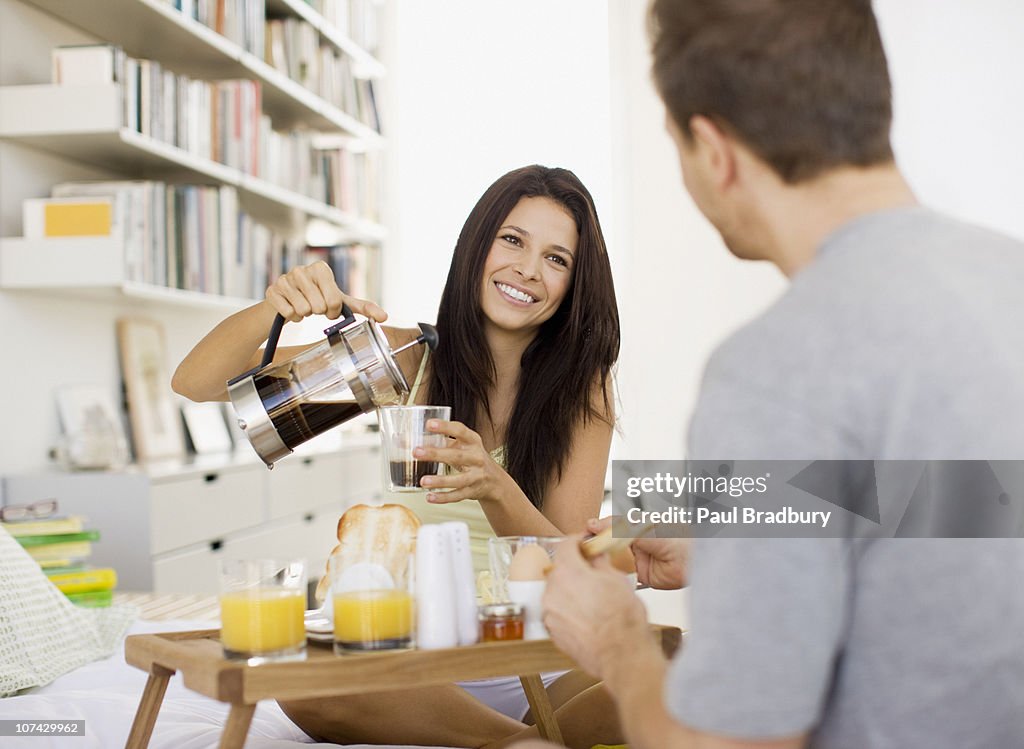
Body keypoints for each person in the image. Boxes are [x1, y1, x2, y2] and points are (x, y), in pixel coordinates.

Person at [522, 1, 1024, 749]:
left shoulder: (770, 367)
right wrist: (750, 527)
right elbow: (988, 493)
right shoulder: (1006, 280)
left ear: (714, 152)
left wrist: (619, 644)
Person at [173, 165, 625, 748]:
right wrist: (276, 310)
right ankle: (515, 741)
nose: (528, 270)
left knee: (665, 668)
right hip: (409, 662)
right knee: (307, 678)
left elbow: (568, 558)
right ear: (477, 246)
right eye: (512, 240)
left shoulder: (583, 389)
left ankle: (503, 736)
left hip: (534, 649)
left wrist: (495, 485)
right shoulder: (408, 359)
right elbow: (197, 383)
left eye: (557, 259)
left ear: (573, 284)